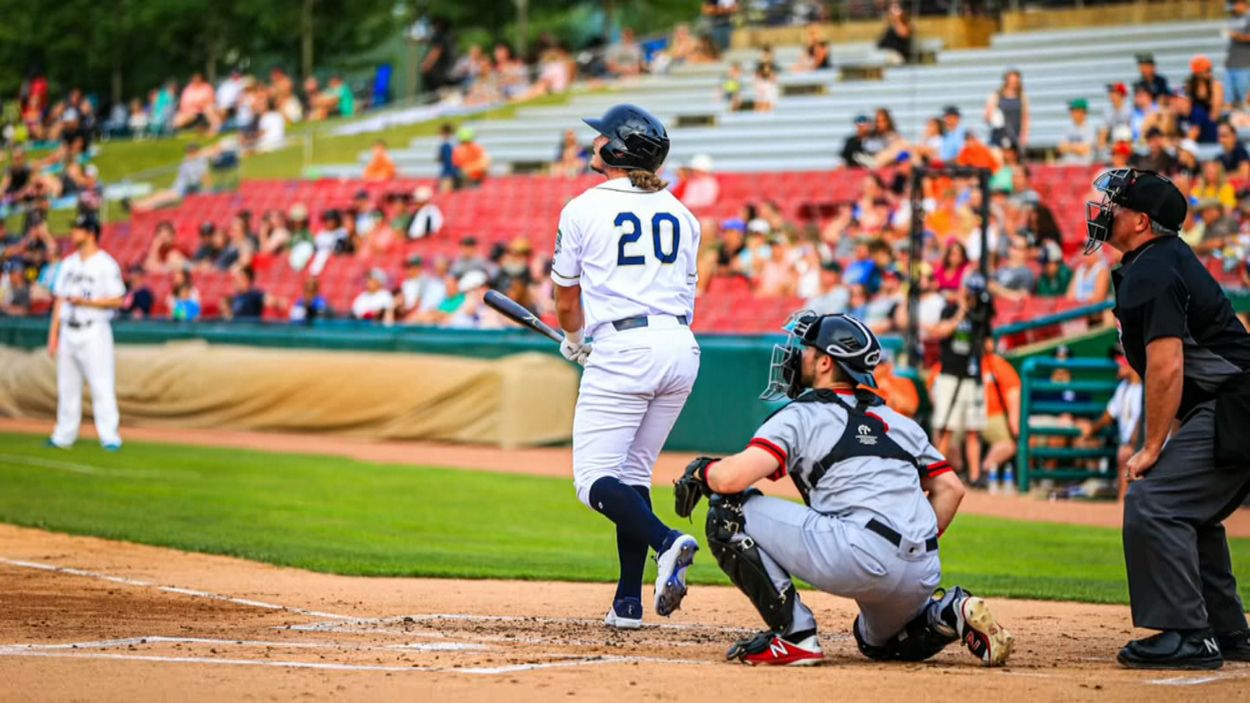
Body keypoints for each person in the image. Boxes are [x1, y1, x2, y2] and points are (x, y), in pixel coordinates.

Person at [671, 312, 1013, 667]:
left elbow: (731, 480)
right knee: (877, 643)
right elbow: (951, 489)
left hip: (857, 554)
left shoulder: (800, 415)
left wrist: (702, 471)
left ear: (824, 362)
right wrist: (911, 544)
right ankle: (948, 612)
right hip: (922, 569)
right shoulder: (899, 422)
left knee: (729, 511)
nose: (795, 355)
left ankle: (796, 636)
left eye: (805, 348)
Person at [1083, 167, 1250, 668]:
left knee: (1154, 503)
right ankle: (1227, 631)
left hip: (1237, 404)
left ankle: (1188, 635)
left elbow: (1167, 365)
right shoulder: (1160, 259)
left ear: (1141, 221)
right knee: (1187, 508)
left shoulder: (1153, 267)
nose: (1104, 210)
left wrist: (1154, 447)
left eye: (1115, 204)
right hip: (1229, 403)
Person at [552, 104, 702, 628]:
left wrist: (574, 340)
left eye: (601, 138)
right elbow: (687, 295)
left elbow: (566, 298)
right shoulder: (683, 213)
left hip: (624, 345)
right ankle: (628, 603)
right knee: (634, 473)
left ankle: (666, 542)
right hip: (680, 345)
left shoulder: (583, 208)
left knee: (592, 478)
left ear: (617, 149)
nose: (594, 143)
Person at [46, 215, 125, 451]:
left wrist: (86, 303)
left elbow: (118, 300)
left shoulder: (106, 264)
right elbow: (59, 300)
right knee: (67, 386)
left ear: (91, 233)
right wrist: (53, 335)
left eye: (78, 228)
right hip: (69, 330)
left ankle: (109, 436)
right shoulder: (69, 263)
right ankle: (63, 436)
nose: (73, 233)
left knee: (102, 384)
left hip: (94, 329)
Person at [930, 273, 993, 489]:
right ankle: (935, 472)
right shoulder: (949, 309)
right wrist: (962, 311)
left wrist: (982, 323)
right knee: (946, 426)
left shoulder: (982, 315)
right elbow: (940, 332)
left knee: (973, 429)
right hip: (950, 373)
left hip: (972, 377)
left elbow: (989, 346)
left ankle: (974, 475)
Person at [985, 69, 1028, 150]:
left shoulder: (1022, 97)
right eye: (1011, 80)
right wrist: (990, 116)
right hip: (1000, 135)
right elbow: (988, 116)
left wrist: (1025, 135)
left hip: (1015, 135)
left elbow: (1025, 117)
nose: (1013, 83)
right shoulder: (997, 96)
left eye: (1015, 81)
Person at [1057, 98, 1095, 165]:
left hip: (1084, 166)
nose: (1071, 113)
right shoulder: (1068, 127)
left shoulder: (1090, 128)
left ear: (1082, 112)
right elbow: (1061, 148)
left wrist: (1069, 146)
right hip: (1067, 165)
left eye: (1074, 110)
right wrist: (1077, 147)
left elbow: (1085, 150)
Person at [1228, 0, 1250, 110]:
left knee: (1245, 99)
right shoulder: (1235, 18)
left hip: (1245, 65)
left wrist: (1238, 36)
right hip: (1232, 64)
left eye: (1235, 3)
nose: (1233, 6)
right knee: (1232, 100)